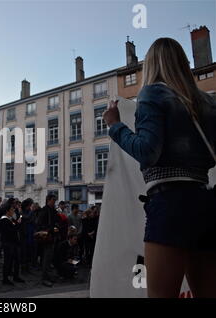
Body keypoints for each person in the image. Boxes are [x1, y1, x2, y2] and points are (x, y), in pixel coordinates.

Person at [104, 38, 216, 298]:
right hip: (206, 202)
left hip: (170, 203)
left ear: (152, 64)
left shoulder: (152, 93)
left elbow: (147, 151)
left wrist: (115, 126)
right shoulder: (208, 102)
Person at [0, 202, 25, 285]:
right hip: (8, 243)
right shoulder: (4, 219)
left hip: (14, 243)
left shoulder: (10, 218)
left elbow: (15, 227)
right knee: (7, 262)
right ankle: (5, 279)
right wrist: (17, 224)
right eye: (12, 209)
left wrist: (17, 223)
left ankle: (16, 276)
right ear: (7, 211)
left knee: (16, 260)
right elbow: (10, 230)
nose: (13, 211)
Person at [36, 194, 61, 287]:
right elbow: (39, 225)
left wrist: (57, 226)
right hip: (46, 238)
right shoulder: (44, 210)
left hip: (52, 237)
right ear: (48, 200)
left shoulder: (53, 210)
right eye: (53, 200)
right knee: (46, 258)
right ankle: (44, 278)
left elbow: (57, 221)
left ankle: (48, 276)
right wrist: (51, 229)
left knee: (49, 258)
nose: (55, 202)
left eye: (55, 200)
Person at [20, 198, 35, 273]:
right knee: (24, 252)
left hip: (30, 233)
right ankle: (23, 268)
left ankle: (28, 268)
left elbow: (32, 220)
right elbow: (26, 218)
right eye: (30, 205)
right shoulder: (22, 212)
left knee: (29, 251)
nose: (31, 206)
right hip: (24, 234)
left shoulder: (29, 211)